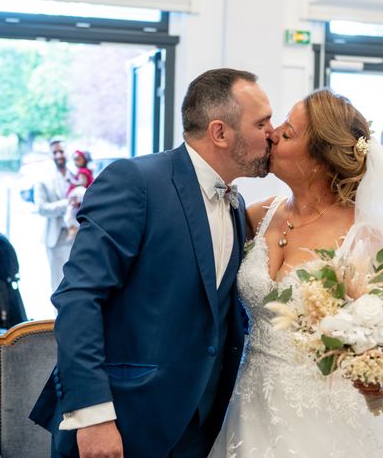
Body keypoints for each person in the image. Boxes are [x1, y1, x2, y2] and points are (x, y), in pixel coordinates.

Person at [29, 68, 274, 458]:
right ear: (220, 132)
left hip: (202, 423)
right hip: (125, 419)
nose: (272, 133)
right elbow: (79, 298)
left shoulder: (235, 203)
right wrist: (93, 415)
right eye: (262, 122)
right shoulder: (135, 181)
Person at [210, 90, 383, 457]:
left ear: (320, 158)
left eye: (289, 131)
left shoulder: (364, 237)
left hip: (329, 416)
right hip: (250, 403)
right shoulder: (257, 215)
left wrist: (378, 377)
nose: (273, 133)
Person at [33, 140, 75, 291]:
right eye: (55, 152)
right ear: (50, 155)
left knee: (78, 282)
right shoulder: (43, 179)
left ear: (67, 152)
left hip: (78, 236)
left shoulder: (78, 175)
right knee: (59, 283)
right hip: (56, 238)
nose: (59, 155)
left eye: (61, 151)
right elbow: (42, 208)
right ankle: (59, 315)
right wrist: (67, 203)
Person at [63, 150, 94, 236]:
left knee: (71, 210)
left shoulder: (82, 171)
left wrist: (71, 181)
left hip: (81, 194)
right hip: (83, 196)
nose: (76, 161)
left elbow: (82, 183)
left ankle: (72, 227)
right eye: (74, 159)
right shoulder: (84, 170)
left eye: (78, 159)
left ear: (84, 159)